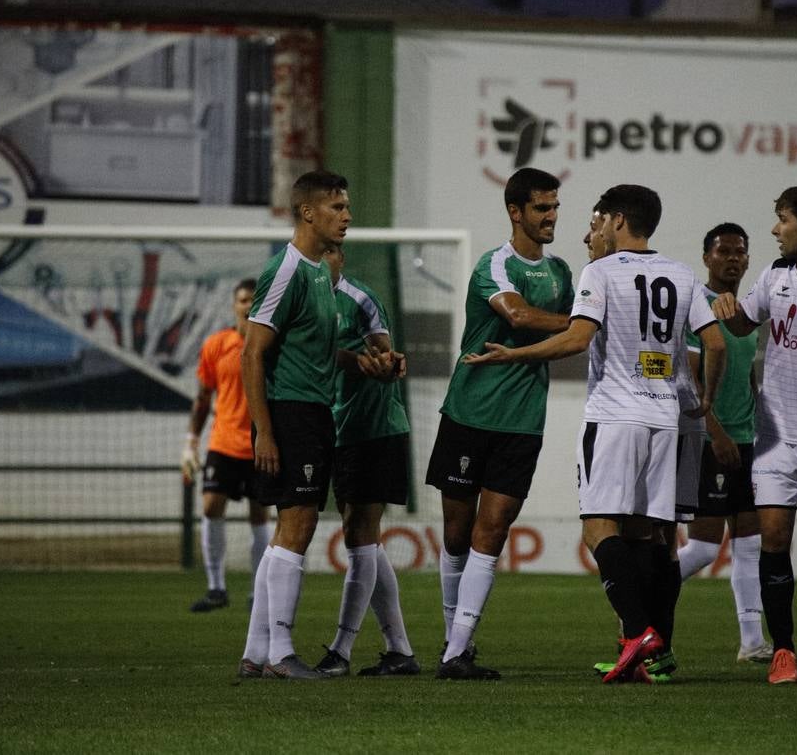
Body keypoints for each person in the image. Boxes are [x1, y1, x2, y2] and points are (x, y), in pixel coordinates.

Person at [466, 184, 725, 684]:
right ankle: (656, 653)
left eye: (601, 218)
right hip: (666, 419)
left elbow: (578, 338)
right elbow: (716, 344)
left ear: (619, 220)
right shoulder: (681, 273)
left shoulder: (601, 271)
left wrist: (514, 354)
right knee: (652, 535)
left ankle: (637, 632)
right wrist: (702, 401)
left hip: (615, 416)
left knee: (597, 529)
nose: (596, 227)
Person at [425, 167, 574, 680]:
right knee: (456, 533)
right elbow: (520, 317)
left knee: (494, 531)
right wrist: (585, 321)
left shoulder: (561, 273)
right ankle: (452, 639)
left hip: (523, 421)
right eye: (541, 208)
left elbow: (575, 337)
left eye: (555, 207)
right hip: (470, 412)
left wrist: (585, 324)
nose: (552, 216)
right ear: (516, 212)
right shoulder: (495, 265)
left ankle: (457, 652)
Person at [709, 184, 797, 686]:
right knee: (772, 537)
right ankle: (783, 652)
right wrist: (725, 307)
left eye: (783, 219)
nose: (775, 229)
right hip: (774, 437)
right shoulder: (773, 275)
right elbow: (746, 324)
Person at [236, 169, 350, 681]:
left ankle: (257, 652)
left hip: (314, 410)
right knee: (298, 525)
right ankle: (281, 652)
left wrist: (359, 359)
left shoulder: (320, 273)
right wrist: (263, 430)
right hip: (291, 411)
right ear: (308, 213)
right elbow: (252, 353)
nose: (346, 215)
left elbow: (313, 348)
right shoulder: (284, 270)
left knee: (291, 527)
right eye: (336, 207)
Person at [312, 244, 420, 678]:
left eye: (331, 253)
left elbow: (384, 356)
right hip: (337, 428)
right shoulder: (303, 301)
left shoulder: (359, 299)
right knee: (364, 537)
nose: (325, 260)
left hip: (374, 428)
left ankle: (340, 651)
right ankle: (400, 650)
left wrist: (384, 363)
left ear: (340, 257)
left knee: (359, 535)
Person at [676, 222, 772, 665]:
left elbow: (744, 372)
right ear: (706, 257)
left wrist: (754, 423)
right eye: (724, 251)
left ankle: (753, 642)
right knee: (703, 549)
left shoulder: (745, 312)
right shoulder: (698, 305)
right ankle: (641, 602)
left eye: (740, 251)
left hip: (747, 439)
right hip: (710, 440)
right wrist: (715, 432)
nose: (733, 258)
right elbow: (690, 380)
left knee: (750, 544)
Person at [181, 278, 272, 613]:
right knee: (209, 507)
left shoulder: (271, 346)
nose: (248, 305)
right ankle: (216, 587)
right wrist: (191, 442)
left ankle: (256, 591)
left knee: (259, 517)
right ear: (235, 305)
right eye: (243, 300)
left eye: (254, 300)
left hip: (261, 445)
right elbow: (203, 398)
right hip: (223, 443)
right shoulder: (216, 345)